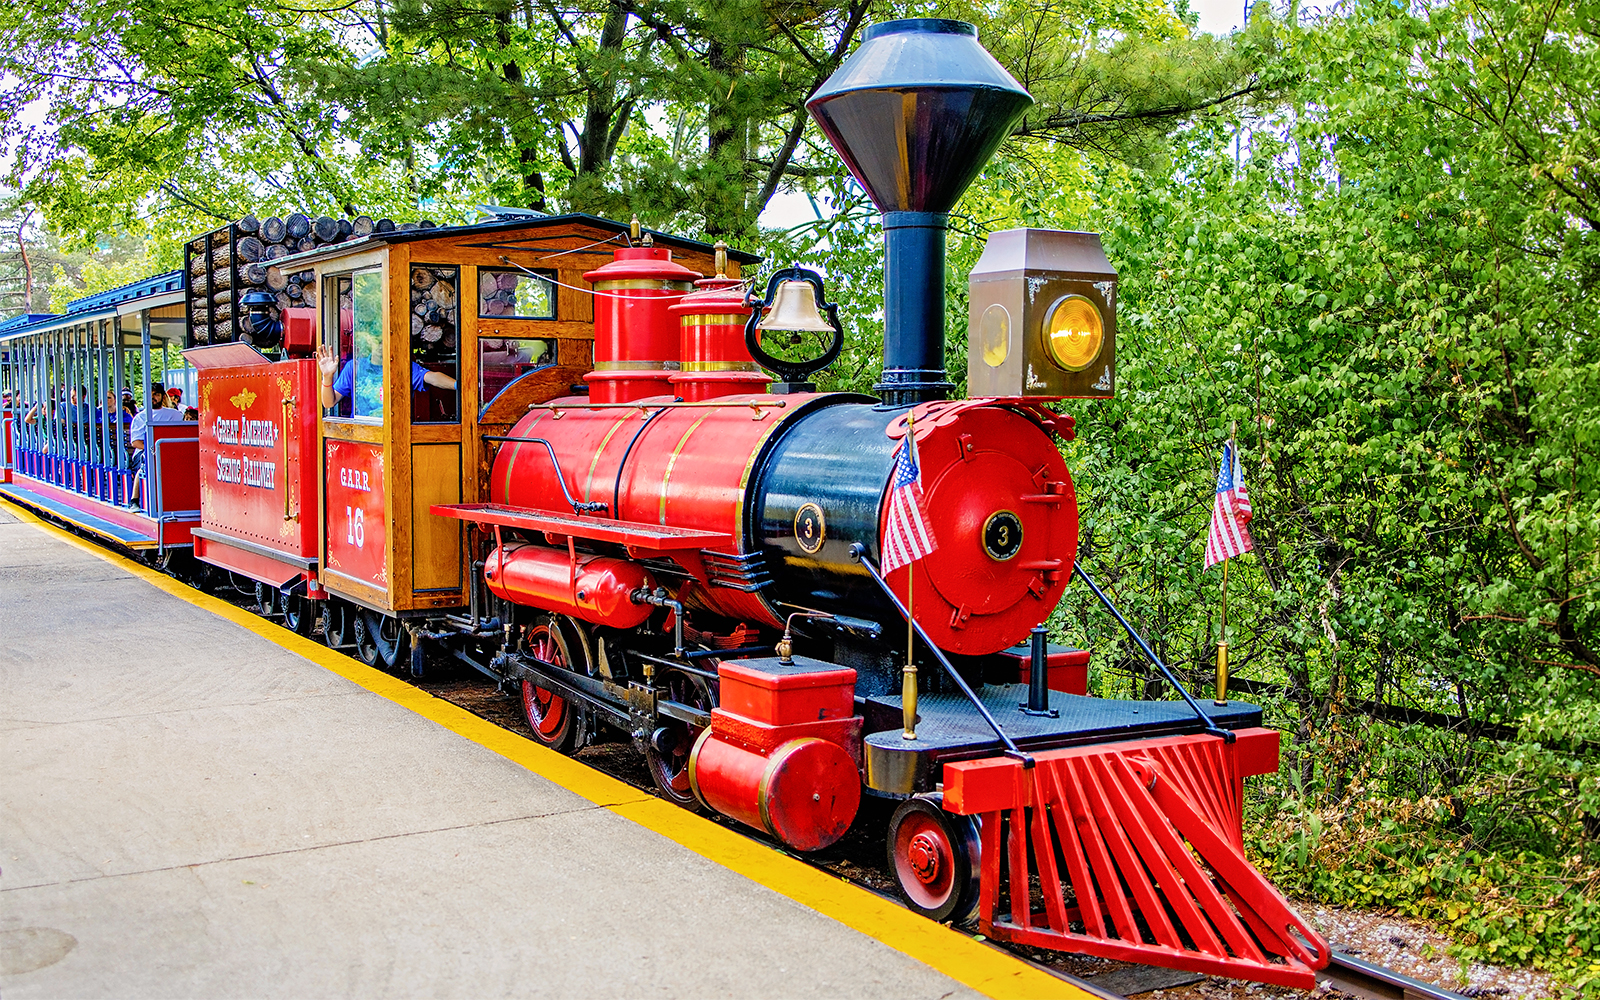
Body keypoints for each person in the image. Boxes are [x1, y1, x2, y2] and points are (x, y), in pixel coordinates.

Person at [317, 342, 456, 417]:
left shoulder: (401, 367)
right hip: (362, 435)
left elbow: (432, 377)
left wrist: (457, 385)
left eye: (383, 341)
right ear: (369, 342)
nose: (379, 345)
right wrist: (327, 377)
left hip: (395, 436)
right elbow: (329, 403)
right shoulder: (354, 367)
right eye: (376, 341)